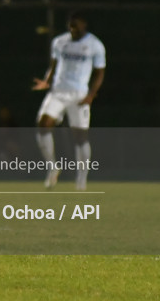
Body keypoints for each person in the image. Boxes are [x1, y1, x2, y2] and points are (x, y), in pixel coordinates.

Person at [32, 12, 105, 191]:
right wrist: (47, 80)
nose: (73, 29)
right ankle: (52, 167)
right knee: (43, 124)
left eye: (76, 26)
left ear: (84, 25)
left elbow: (99, 73)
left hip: (79, 95)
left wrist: (91, 95)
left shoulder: (95, 45)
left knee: (80, 137)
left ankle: (81, 179)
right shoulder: (59, 42)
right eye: (70, 26)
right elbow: (53, 65)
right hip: (58, 92)